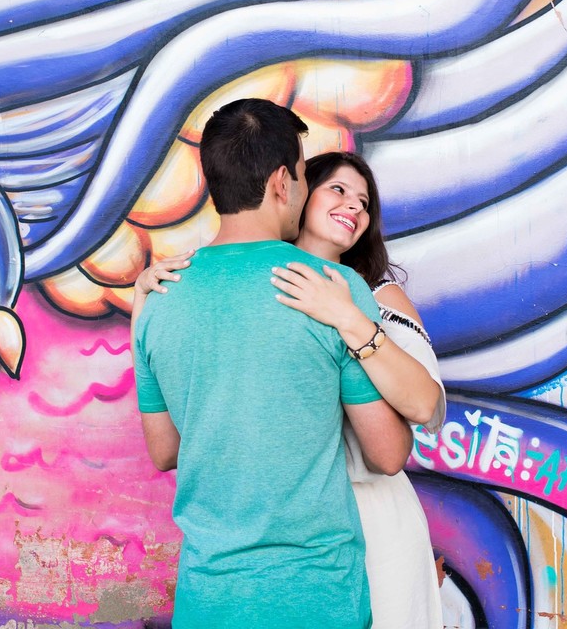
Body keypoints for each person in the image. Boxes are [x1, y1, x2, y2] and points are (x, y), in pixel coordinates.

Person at [132, 98, 414, 629]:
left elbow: (164, 451)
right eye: (307, 177)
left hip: (209, 597)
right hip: (316, 594)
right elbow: (387, 452)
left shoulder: (157, 299)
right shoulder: (332, 288)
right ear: (283, 182)